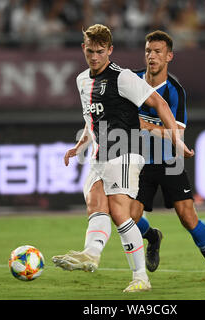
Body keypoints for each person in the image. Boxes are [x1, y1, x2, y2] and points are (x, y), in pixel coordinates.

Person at [51, 24, 194, 293]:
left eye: (100, 52)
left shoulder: (123, 77)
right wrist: (79, 146)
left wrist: (176, 138)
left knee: (119, 211)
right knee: (95, 203)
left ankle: (141, 277)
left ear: (110, 50)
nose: (94, 57)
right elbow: (91, 120)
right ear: (84, 49)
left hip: (125, 151)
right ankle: (92, 254)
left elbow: (160, 104)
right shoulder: (82, 80)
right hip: (98, 155)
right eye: (90, 51)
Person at [132, 30, 205, 283]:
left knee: (188, 218)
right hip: (140, 163)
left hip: (169, 163)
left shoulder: (175, 91)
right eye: (148, 51)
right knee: (128, 216)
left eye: (157, 52)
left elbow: (178, 134)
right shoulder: (131, 81)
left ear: (169, 56)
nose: (151, 56)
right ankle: (153, 236)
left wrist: (147, 126)